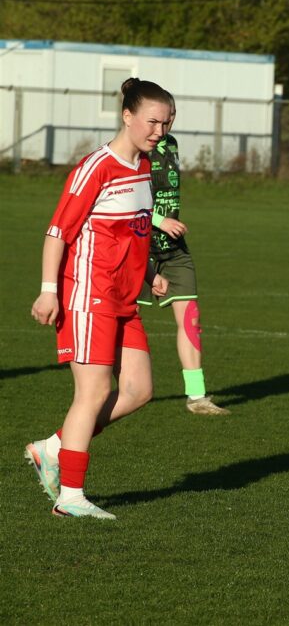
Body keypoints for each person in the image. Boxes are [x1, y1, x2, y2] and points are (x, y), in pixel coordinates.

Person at [24, 78, 174, 520]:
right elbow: (57, 233)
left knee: (140, 390)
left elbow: (132, 232)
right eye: (152, 122)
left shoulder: (144, 167)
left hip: (125, 298)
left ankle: (54, 447)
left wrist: (150, 274)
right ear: (127, 116)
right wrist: (48, 291)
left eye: (167, 123)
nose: (159, 132)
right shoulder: (96, 168)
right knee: (93, 392)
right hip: (89, 294)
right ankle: (70, 498)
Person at [137, 93, 229, 416]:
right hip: (138, 247)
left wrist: (167, 226)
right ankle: (110, 386)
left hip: (173, 249)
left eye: (171, 117)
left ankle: (197, 397)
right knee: (123, 318)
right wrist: (160, 221)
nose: (165, 125)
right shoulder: (134, 149)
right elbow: (126, 201)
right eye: (158, 119)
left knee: (191, 318)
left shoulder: (171, 144)